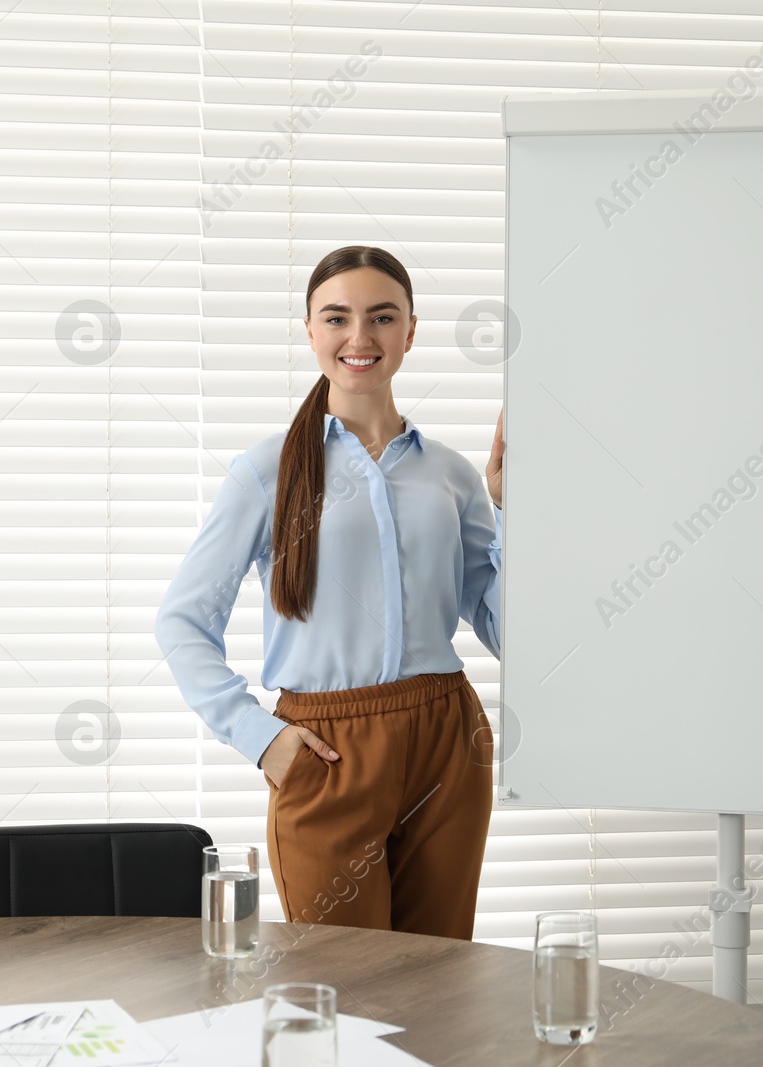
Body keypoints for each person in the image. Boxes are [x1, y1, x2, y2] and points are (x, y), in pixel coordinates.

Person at [154, 245, 505, 941]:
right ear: (311, 330)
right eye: (337, 317)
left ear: (410, 331)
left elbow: (506, 630)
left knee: (437, 982)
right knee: (343, 985)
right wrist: (261, 738)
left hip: (447, 742)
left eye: (382, 317)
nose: (359, 337)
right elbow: (183, 620)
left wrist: (513, 509)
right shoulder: (266, 471)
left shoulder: (453, 475)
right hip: (327, 750)